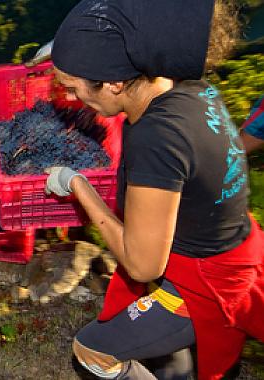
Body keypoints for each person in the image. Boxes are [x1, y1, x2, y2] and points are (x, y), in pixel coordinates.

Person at [41, 1, 264, 379]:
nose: (76, 100)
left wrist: (78, 186)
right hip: (233, 249)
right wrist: (69, 51)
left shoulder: (155, 139)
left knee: (92, 351)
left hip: (207, 284)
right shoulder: (191, 91)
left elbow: (142, 264)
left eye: (74, 88)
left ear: (113, 82)